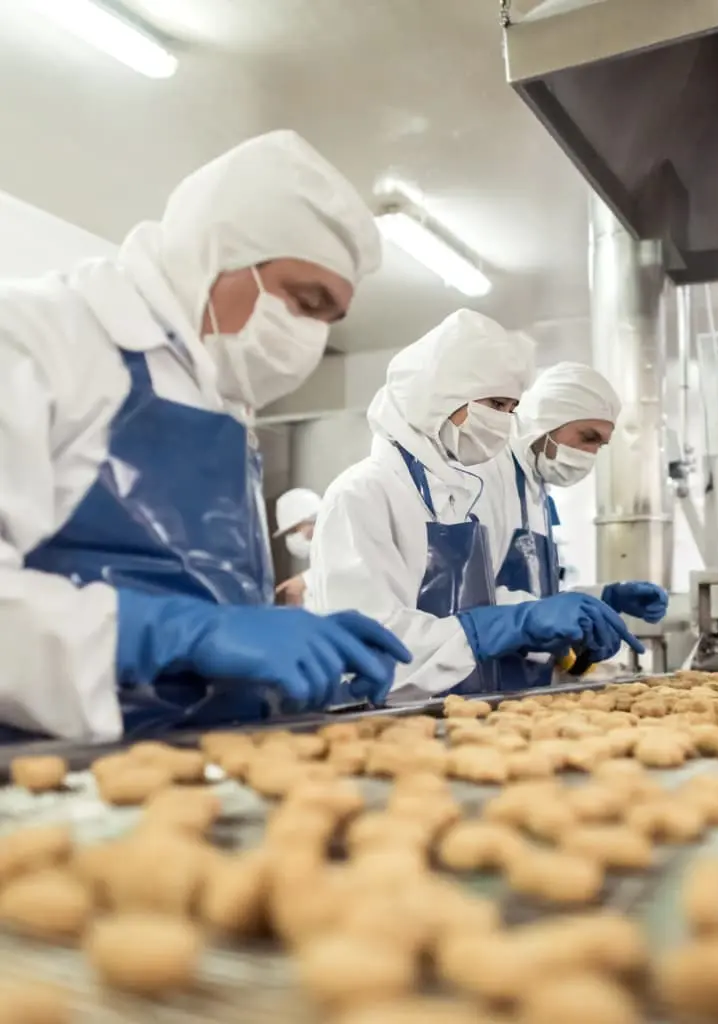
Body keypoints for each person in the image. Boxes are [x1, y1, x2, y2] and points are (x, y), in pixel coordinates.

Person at [0, 130, 410, 742]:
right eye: (305, 300)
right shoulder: (37, 338)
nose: (311, 339)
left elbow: (202, 592)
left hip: (207, 764)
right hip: (51, 783)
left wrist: (278, 634)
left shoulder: (221, 401)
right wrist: (173, 633)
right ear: (218, 254)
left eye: (329, 319)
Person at [308, 310, 643, 700]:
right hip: (380, 724)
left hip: (451, 712)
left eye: (510, 410)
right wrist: (497, 627)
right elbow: (364, 650)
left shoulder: (455, 497)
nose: (504, 423)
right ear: (440, 395)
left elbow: (478, 604)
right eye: (496, 405)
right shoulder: (362, 493)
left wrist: (543, 618)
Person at [478, 361, 668, 688]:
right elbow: (468, 601)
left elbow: (539, 596)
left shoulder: (537, 489)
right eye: (587, 437)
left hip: (528, 684)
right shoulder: (486, 475)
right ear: (547, 420)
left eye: (600, 445)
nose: (591, 453)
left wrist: (604, 596)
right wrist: (537, 618)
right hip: (481, 681)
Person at [274, 487, 321, 607]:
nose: (291, 539)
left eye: (294, 530)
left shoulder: (348, 541)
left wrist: (305, 581)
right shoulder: (321, 562)